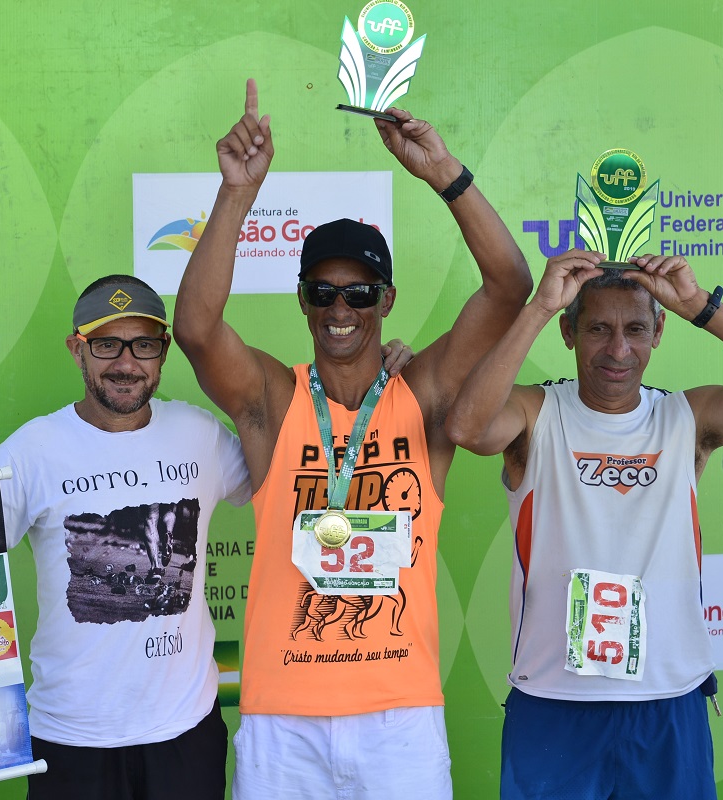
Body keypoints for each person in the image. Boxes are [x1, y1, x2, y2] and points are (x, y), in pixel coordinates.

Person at [0, 275, 413, 799]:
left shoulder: (200, 434)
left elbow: (302, 471)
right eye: (107, 345)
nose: (127, 363)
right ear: (77, 349)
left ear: (163, 354)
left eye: (144, 345)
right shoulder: (33, 449)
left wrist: (372, 375)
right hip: (70, 736)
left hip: (185, 734)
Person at [172, 79, 532, 799]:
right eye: (325, 292)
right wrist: (237, 194)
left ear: (386, 300)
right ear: (303, 299)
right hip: (283, 722)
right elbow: (196, 331)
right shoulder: (274, 400)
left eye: (360, 292)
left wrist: (444, 174)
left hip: (400, 722)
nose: (342, 309)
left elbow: (508, 286)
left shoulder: (422, 396)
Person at [445, 249, 723, 799]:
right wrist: (541, 306)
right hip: (554, 702)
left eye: (636, 329)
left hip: (668, 700)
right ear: (569, 333)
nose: (618, 350)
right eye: (598, 328)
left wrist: (699, 306)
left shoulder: (686, 418)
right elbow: (467, 429)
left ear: (658, 331)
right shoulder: (535, 413)